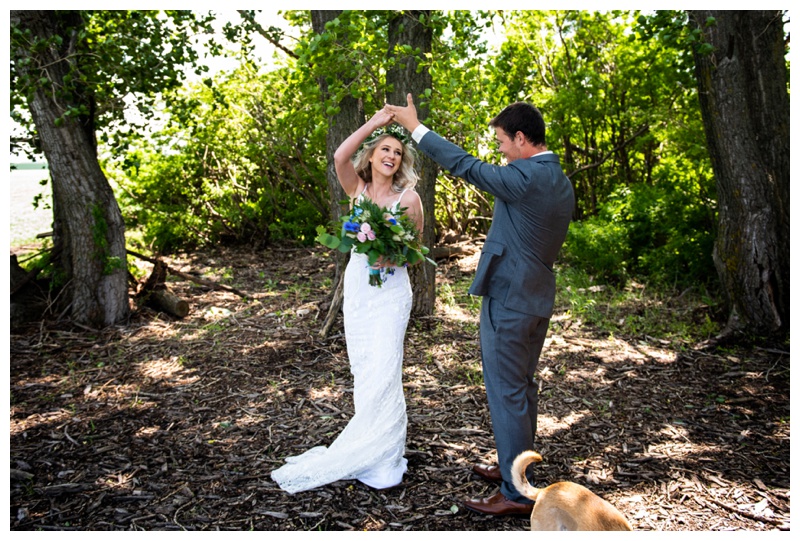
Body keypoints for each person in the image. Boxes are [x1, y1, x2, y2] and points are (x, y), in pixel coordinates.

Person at [385, 94, 574, 516]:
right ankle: (516, 468)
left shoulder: (525, 177)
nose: (501, 151)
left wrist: (416, 129)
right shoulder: (558, 179)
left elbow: (465, 166)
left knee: (506, 392)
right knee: (521, 387)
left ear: (522, 139)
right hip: (536, 298)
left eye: (504, 142)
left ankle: (514, 492)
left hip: (509, 299)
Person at [270, 110, 423, 493]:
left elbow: (414, 254)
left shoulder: (409, 198)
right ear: (371, 155)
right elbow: (339, 156)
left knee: (386, 369)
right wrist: (375, 122)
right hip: (358, 290)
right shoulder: (356, 190)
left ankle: (385, 454)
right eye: (384, 149)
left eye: (398, 153)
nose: (391, 156)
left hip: (390, 293)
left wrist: (391, 254)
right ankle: (366, 441)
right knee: (365, 368)